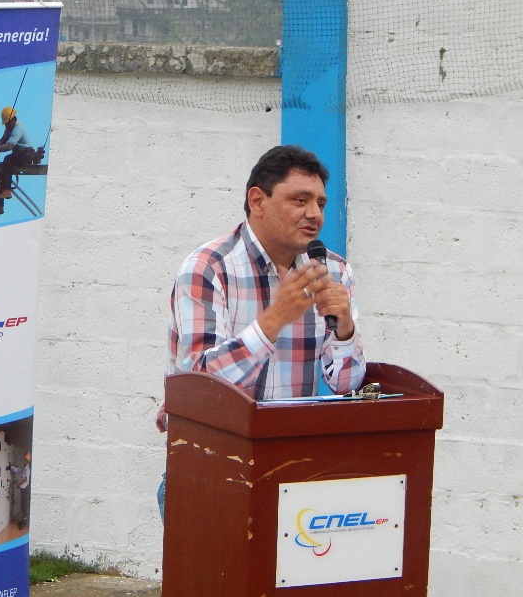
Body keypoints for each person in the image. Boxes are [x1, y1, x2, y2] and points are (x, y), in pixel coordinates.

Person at [155, 145, 366, 521]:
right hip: (210, 470)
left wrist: (345, 330)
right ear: (257, 201)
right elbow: (199, 387)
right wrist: (275, 319)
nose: (314, 214)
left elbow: (346, 385)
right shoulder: (209, 268)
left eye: (320, 203)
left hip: (292, 474)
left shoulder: (334, 271)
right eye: (300, 200)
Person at [0, 107, 37, 217]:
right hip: (18, 155)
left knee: (7, 160)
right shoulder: (9, 128)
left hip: (26, 155)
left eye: (7, 123)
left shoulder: (18, 127)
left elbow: (9, 146)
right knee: (1, 171)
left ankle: (7, 190)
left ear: (12, 119)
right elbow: (3, 140)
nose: (6, 126)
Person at [8, 452, 31, 529]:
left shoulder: (28, 469)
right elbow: (19, 470)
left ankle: (24, 522)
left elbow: (27, 480)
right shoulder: (25, 468)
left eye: (25, 460)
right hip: (23, 488)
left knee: (24, 505)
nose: (23, 461)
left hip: (25, 489)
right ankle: (23, 520)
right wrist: (11, 467)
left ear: (27, 461)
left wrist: (19, 485)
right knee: (22, 504)